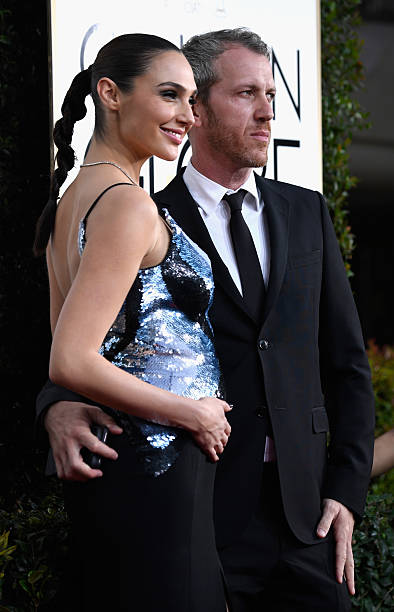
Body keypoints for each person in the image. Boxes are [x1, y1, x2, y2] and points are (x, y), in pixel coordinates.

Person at [37, 28, 375, 611]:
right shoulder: (143, 214)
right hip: (198, 506)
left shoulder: (307, 212)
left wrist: (345, 493)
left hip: (305, 520)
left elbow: (346, 364)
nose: (267, 112)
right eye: (247, 94)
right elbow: (81, 337)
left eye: (272, 94)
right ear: (200, 105)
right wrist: (56, 403)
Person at [34, 33, 232, 611]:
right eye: (170, 95)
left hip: (130, 460)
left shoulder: (78, 195)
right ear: (110, 94)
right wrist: (191, 411)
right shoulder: (127, 204)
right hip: (155, 461)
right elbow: (70, 358)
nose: (187, 118)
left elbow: (69, 339)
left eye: (193, 101)